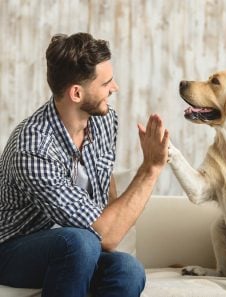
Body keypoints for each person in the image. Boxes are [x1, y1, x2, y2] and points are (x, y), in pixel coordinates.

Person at [0, 32, 169, 297]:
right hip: (11, 248)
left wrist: (107, 226)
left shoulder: (103, 120)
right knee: (80, 241)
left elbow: (106, 200)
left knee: (128, 269)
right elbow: (108, 235)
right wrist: (151, 168)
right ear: (77, 93)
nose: (115, 88)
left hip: (77, 247)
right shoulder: (32, 147)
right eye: (106, 83)